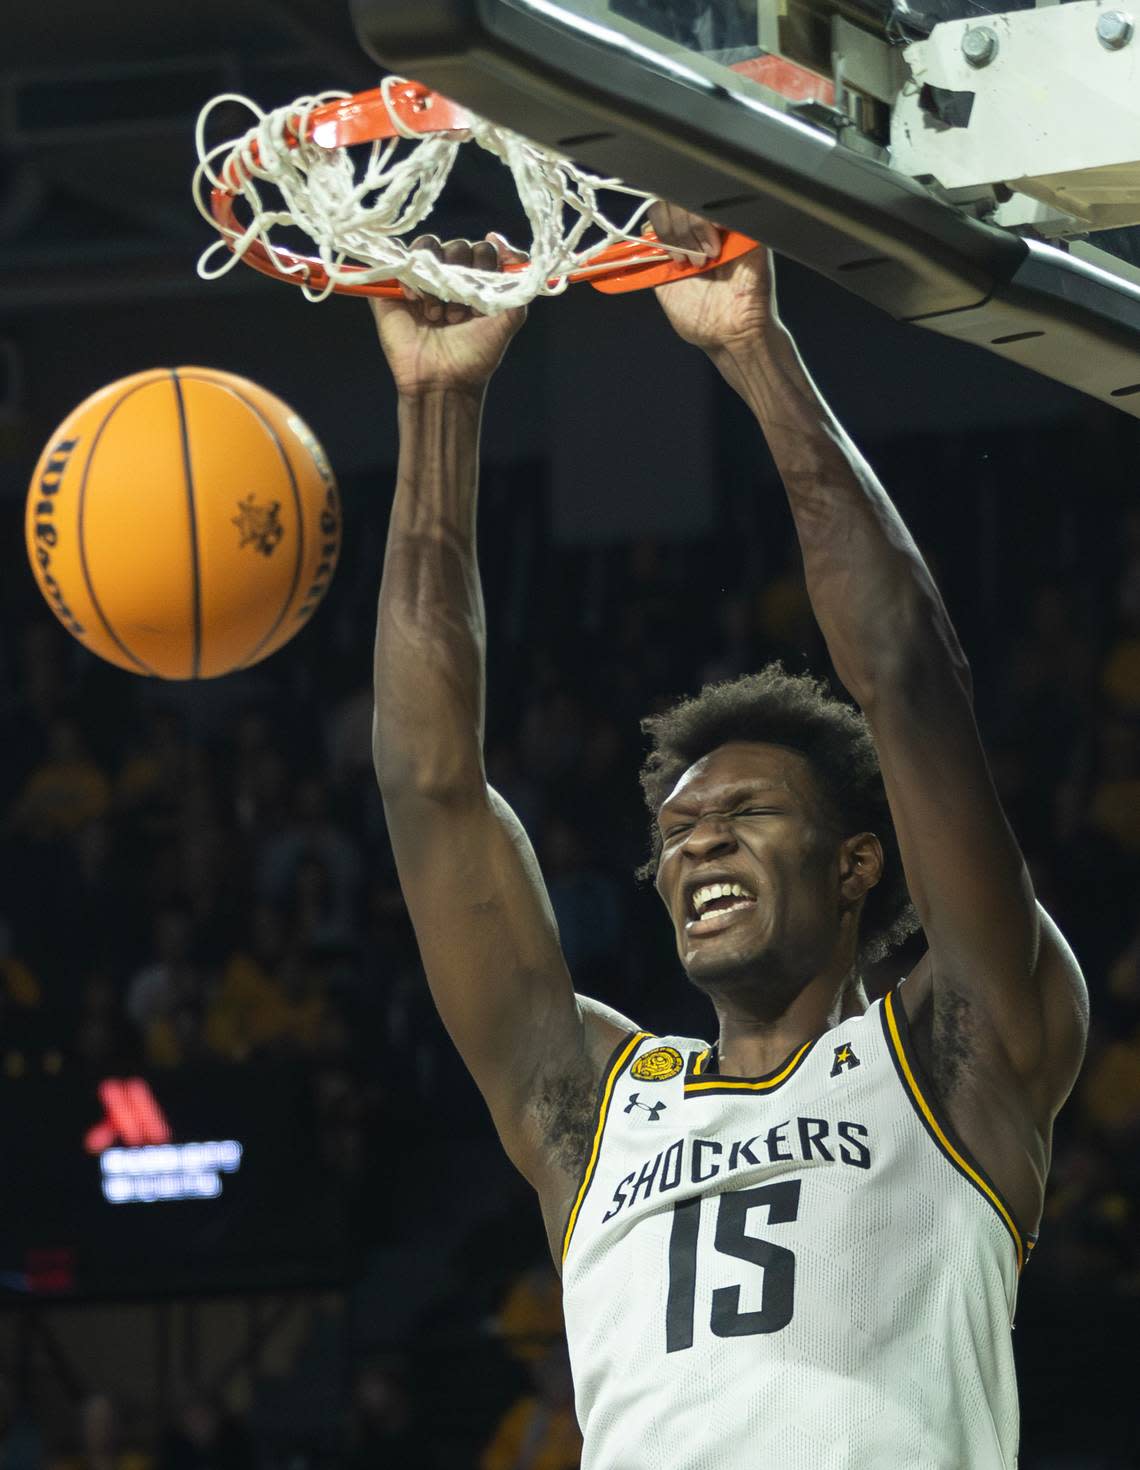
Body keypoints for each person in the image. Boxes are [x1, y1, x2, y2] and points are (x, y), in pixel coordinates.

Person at [369, 216, 1088, 1468]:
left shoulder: (957, 1049)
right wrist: (439, 403)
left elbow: (909, 679)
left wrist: (757, 353)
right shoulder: (593, 1106)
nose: (697, 847)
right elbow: (430, 784)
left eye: (744, 816)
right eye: (678, 831)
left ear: (859, 863)